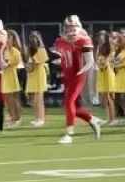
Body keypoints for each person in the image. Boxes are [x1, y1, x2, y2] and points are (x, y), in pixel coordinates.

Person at [54, 15, 103, 144]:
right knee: (70, 106)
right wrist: (60, 61)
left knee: (69, 102)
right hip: (67, 76)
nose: (71, 29)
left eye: (74, 26)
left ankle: (69, 133)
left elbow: (90, 62)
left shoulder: (83, 40)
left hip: (78, 76)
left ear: (78, 27)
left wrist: (80, 72)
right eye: (69, 27)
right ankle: (91, 119)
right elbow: (64, 56)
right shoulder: (60, 41)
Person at [0, 29, 24, 128]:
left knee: (13, 98)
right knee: (7, 99)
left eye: (9, 38)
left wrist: (3, 61)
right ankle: (12, 117)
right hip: (4, 76)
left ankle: (17, 118)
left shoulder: (15, 51)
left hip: (12, 76)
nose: (7, 40)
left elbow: (6, 64)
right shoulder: (4, 50)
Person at [25, 31, 49, 127]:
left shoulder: (41, 51)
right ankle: (37, 118)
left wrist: (27, 66)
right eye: (31, 38)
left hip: (39, 76)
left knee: (38, 99)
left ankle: (41, 119)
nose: (33, 40)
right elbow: (30, 67)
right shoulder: (30, 52)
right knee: (33, 99)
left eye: (35, 38)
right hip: (32, 76)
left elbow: (32, 66)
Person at [95, 31, 117, 125]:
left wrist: (104, 62)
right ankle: (108, 118)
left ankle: (112, 119)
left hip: (108, 72)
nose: (101, 37)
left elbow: (111, 57)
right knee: (104, 97)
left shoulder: (110, 46)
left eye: (103, 35)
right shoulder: (100, 48)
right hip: (101, 72)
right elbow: (97, 58)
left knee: (109, 96)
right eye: (100, 36)